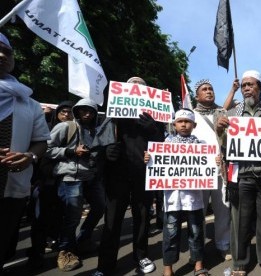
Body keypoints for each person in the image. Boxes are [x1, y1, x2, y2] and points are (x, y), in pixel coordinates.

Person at [216, 70, 261, 276]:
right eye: (244, 85)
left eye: (251, 84)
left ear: (260, 88)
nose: (247, 88)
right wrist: (220, 130)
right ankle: (240, 264)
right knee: (240, 223)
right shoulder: (230, 116)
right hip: (242, 177)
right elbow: (223, 145)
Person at [91, 76, 165, 276]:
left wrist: (153, 129)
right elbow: (98, 143)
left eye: (142, 84)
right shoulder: (114, 114)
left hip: (143, 174)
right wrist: (106, 152)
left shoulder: (154, 117)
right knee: (112, 219)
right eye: (133, 84)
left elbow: (164, 146)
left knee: (142, 217)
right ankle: (105, 265)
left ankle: (141, 256)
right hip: (118, 174)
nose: (137, 86)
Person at [0, 32, 50, 273]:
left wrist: (29, 157)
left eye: (7, 52)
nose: (2, 55)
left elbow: (41, 141)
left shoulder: (28, 103)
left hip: (12, 189)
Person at [45, 98, 105, 271]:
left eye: (91, 111)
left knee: (100, 207)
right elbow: (46, 148)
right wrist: (71, 151)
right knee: (72, 216)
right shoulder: (66, 127)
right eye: (83, 110)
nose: (87, 114)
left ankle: (83, 240)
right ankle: (65, 251)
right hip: (71, 178)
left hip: (91, 177)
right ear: (77, 111)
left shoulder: (96, 131)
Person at [152, 108, 209, 276]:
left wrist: (215, 161)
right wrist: (150, 158)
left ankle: (198, 265)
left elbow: (209, 167)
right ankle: (168, 268)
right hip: (172, 198)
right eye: (180, 121)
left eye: (187, 121)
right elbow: (156, 165)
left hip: (194, 197)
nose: (184, 124)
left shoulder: (201, 145)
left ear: (194, 125)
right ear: (174, 124)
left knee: (196, 231)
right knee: (170, 232)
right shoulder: (165, 144)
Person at [28, 100, 75, 269]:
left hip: (62, 181)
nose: (66, 115)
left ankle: (58, 244)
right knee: (40, 218)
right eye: (63, 112)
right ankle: (36, 252)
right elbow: (42, 152)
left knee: (61, 215)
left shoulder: (74, 131)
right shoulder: (46, 130)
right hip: (44, 181)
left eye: (70, 112)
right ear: (57, 114)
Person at [192, 79, 233, 261]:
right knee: (197, 212)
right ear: (197, 95)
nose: (209, 91)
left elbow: (233, 139)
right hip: (198, 173)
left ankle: (223, 245)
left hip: (220, 170)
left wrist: (223, 153)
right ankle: (197, 250)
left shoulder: (223, 113)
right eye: (204, 89)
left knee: (223, 210)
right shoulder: (189, 115)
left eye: (211, 88)